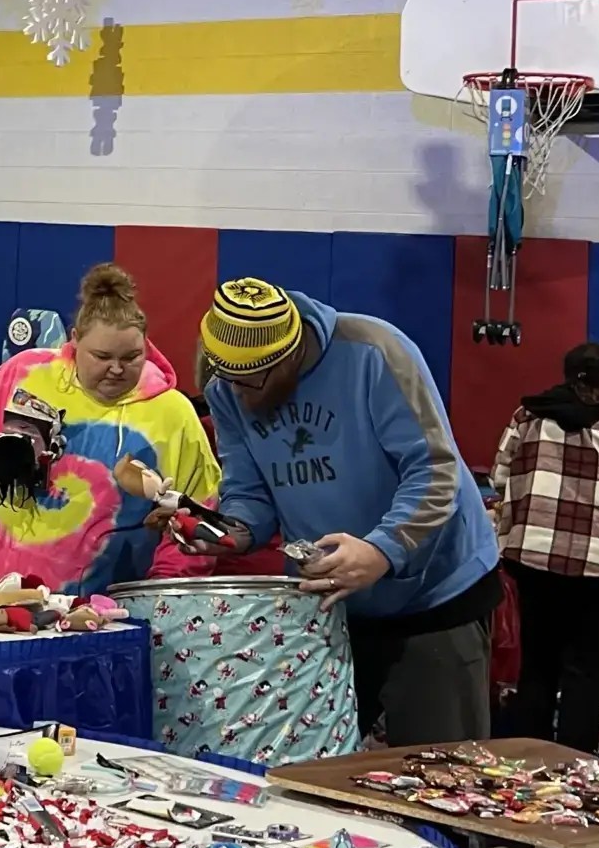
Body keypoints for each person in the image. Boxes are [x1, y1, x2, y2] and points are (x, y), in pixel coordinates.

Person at [198, 278, 503, 747]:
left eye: (249, 381)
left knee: (440, 772)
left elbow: (435, 470)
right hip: (331, 608)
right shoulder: (227, 389)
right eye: (225, 378)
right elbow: (248, 491)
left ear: (290, 356)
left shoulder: (374, 352)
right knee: (315, 769)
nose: (236, 393)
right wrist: (229, 531)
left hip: (434, 599)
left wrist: (381, 551)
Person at [0, 263, 219, 594]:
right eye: (102, 356)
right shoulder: (26, 373)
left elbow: (199, 513)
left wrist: (158, 598)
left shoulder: (173, 414)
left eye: (131, 356)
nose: (116, 369)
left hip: (100, 610)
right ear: (75, 341)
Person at [491, 342, 599, 749]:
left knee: (537, 665)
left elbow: (499, 477)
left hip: (534, 558)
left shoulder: (528, 415)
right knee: (586, 670)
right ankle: (576, 765)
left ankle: (527, 760)